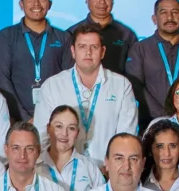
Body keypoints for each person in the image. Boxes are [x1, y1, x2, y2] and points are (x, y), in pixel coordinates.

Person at [32, 24, 139, 161]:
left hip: (108, 173)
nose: (88, 52)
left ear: (103, 52)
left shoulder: (121, 86)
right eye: (82, 47)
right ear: (73, 51)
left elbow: (127, 138)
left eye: (94, 47)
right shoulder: (53, 86)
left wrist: (110, 169)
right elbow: (41, 136)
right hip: (61, 174)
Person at [0, 0, 71, 122]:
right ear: (21, 4)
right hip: (16, 119)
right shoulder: (6, 36)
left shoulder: (64, 38)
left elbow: (68, 81)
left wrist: (52, 116)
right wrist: (25, 118)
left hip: (55, 119)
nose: (36, 4)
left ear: (50, 4)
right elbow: (1, 80)